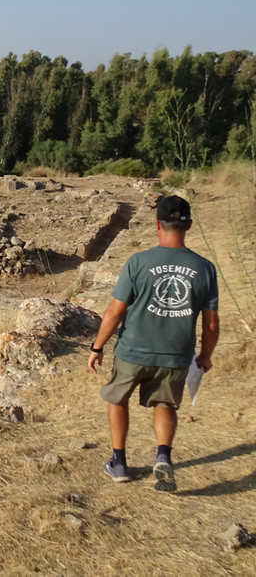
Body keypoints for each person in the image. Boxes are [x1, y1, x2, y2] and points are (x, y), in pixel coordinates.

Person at [88, 195, 220, 491]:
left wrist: (97, 347)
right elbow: (211, 323)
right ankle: (163, 456)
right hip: (176, 354)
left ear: (157, 224)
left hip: (133, 350)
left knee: (117, 399)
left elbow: (114, 312)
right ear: (189, 225)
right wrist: (205, 356)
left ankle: (119, 462)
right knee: (164, 403)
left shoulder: (138, 262)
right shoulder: (205, 268)